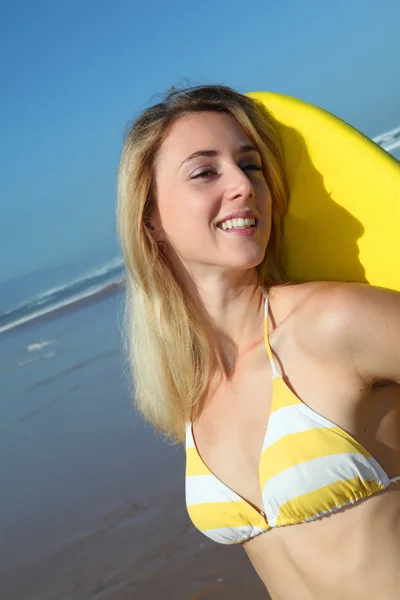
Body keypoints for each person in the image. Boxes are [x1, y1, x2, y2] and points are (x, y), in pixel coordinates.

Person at [117, 85, 400, 599]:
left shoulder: (333, 322)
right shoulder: (189, 392)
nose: (244, 185)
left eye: (251, 166)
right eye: (206, 171)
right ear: (151, 218)